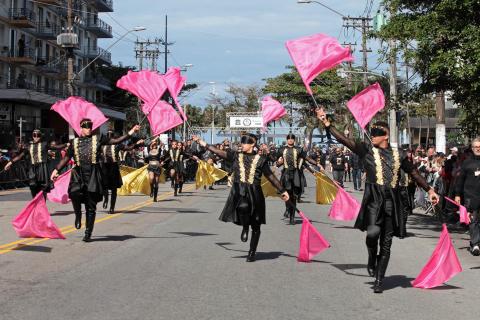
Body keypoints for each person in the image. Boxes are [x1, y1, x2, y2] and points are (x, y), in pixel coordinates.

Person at [316, 108, 439, 293]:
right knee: (372, 233)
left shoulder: (400, 155)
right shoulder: (365, 150)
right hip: (374, 199)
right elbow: (343, 139)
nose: (372, 136)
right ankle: (371, 257)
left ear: (385, 136)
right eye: (371, 133)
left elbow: (413, 172)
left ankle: (379, 280)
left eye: (376, 134)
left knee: (387, 242)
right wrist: (327, 123)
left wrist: (429, 189)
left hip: (392, 200)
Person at [192, 133, 289, 262]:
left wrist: (282, 190)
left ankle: (252, 252)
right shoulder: (236, 156)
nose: (241, 145)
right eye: (241, 142)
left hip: (255, 192)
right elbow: (218, 151)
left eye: (244, 143)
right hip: (240, 190)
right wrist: (201, 142)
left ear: (252, 144)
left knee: (256, 224)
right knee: (243, 207)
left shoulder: (261, 159)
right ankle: (244, 226)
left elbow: (270, 177)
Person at [50, 119, 140, 242]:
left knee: (90, 205)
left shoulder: (98, 139)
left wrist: (131, 132)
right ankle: (77, 214)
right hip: (78, 173)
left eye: (90, 126)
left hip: (93, 174)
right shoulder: (74, 142)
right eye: (86, 127)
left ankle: (88, 232)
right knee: (74, 193)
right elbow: (66, 158)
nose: (89, 129)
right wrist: (56, 170)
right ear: (80, 128)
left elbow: (116, 141)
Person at [5, 129, 67, 198]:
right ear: (32, 136)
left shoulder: (45, 144)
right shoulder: (29, 146)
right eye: (34, 135)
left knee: (43, 188)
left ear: (41, 136)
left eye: (38, 135)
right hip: (32, 169)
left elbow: (56, 147)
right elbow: (20, 156)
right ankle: (35, 201)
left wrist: (66, 144)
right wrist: (9, 163)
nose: (36, 137)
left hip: (42, 169)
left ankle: (42, 205)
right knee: (32, 185)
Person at [276, 133, 317, 224]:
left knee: (294, 196)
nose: (290, 140)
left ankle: (292, 218)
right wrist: (278, 163)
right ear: (287, 140)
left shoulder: (299, 149)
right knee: (286, 194)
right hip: (286, 174)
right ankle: (287, 208)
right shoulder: (281, 149)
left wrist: (317, 164)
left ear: (294, 140)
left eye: (292, 139)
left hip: (295, 174)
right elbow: (276, 162)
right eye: (289, 139)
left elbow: (307, 159)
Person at [101, 130, 144, 213]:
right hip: (104, 167)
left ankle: (112, 207)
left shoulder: (118, 145)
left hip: (114, 167)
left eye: (111, 135)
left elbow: (129, 148)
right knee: (104, 186)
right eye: (108, 135)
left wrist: (137, 144)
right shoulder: (102, 145)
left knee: (114, 189)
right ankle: (106, 199)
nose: (109, 136)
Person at [455, 138, 480, 255]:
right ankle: (475, 244)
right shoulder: (467, 163)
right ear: (472, 148)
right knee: (473, 220)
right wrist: (457, 194)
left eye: (479, 146)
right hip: (470, 196)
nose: (478, 148)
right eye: (475, 147)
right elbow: (460, 180)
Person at [145, 137, 164, 202]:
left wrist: (159, 138)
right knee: (151, 179)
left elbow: (161, 143)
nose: (154, 144)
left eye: (155, 144)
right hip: (150, 167)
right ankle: (151, 190)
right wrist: (154, 139)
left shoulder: (159, 149)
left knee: (156, 182)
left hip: (157, 167)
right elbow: (147, 144)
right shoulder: (149, 150)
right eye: (153, 144)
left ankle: (155, 197)